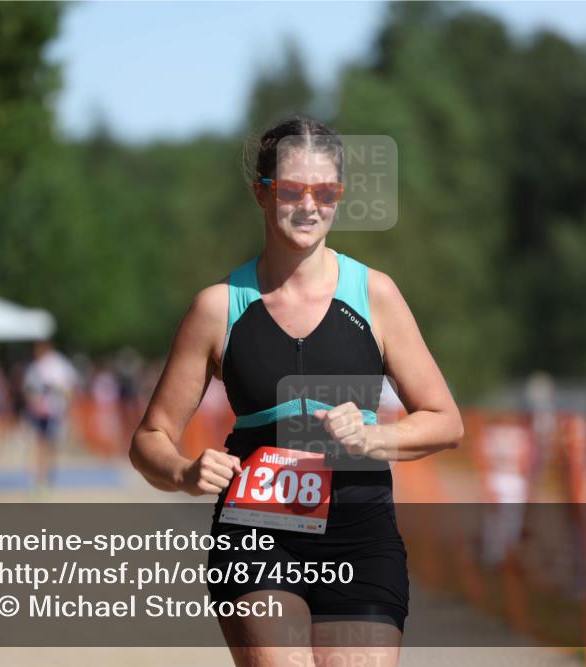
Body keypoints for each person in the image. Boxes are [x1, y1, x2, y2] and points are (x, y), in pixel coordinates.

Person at [129, 114, 464, 666]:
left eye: (325, 191)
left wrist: (376, 436)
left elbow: (445, 420)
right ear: (262, 193)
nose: (309, 205)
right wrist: (184, 473)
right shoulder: (218, 307)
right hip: (257, 532)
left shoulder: (375, 295)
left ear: (340, 196)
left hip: (361, 535)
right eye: (291, 190)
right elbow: (150, 436)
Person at [23, 340, 78, 487]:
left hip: (54, 412)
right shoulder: (35, 367)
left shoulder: (58, 364)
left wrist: (56, 389)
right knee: (40, 445)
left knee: (50, 445)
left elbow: (69, 389)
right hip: (39, 412)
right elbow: (28, 389)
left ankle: (48, 476)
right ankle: (41, 477)